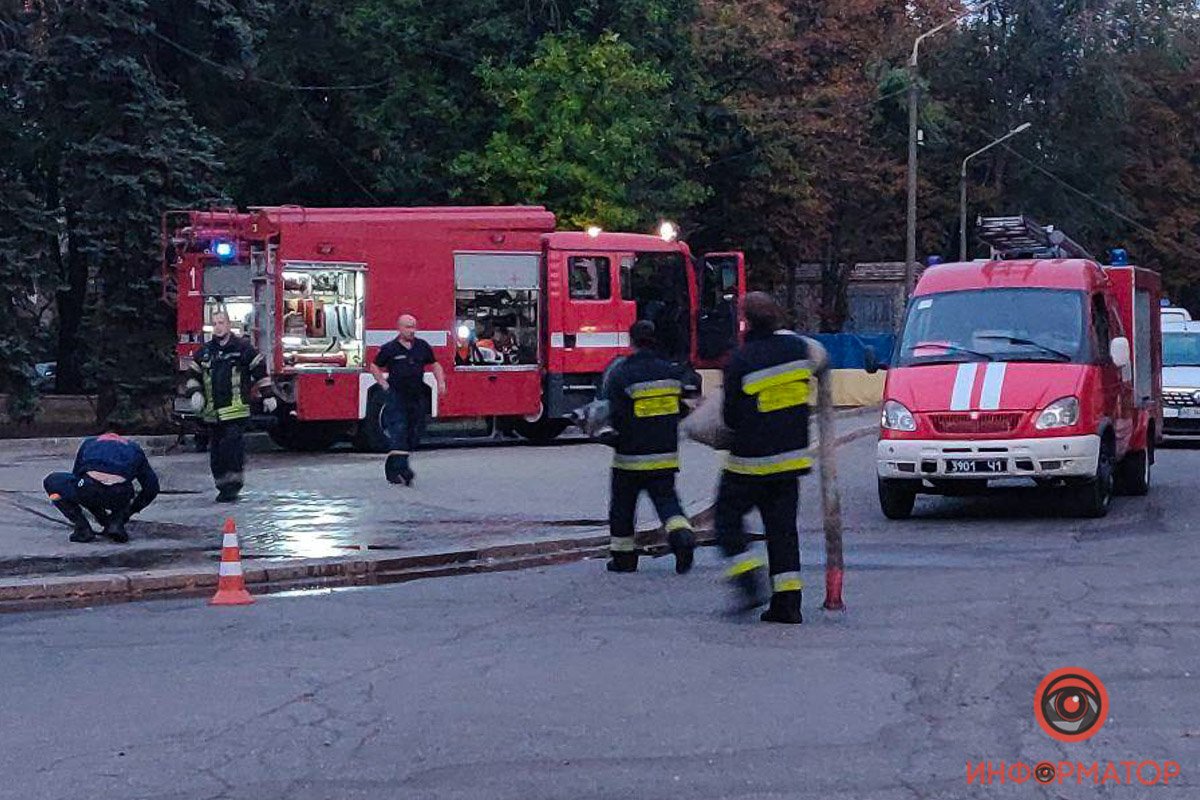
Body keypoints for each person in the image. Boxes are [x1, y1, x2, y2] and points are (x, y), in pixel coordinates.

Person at [716, 292, 827, 624]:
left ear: (746, 322)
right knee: (782, 532)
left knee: (726, 520)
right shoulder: (798, 351)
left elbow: (731, 418)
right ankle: (788, 605)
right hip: (791, 461)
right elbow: (820, 362)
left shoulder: (740, 360)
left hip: (749, 463)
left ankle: (749, 579)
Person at [600, 320, 697, 574]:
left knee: (623, 507)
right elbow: (683, 406)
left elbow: (611, 413)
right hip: (664, 455)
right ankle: (682, 535)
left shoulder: (622, 373)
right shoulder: (670, 372)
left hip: (629, 456)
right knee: (667, 503)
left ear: (632, 341)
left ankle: (624, 558)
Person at [187, 309, 275, 502]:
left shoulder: (242, 348)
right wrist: (195, 393)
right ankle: (221, 485)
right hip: (213, 413)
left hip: (235, 411)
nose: (218, 327)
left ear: (228, 325)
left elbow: (259, 371)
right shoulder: (205, 352)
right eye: (215, 323)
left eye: (221, 323)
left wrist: (268, 395)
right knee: (217, 453)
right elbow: (192, 376)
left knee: (232, 449)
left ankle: (232, 487)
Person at [369, 313, 447, 485]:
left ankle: (392, 469)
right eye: (408, 327)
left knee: (413, 433)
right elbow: (374, 366)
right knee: (399, 430)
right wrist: (383, 384)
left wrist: (440, 382)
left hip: (416, 396)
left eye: (414, 327)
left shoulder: (422, 346)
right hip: (396, 396)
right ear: (399, 328)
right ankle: (404, 470)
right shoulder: (390, 348)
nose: (412, 331)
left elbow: (434, 364)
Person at [43, 431, 159, 543]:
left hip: (88, 488)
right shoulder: (134, 448)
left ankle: (82, 527)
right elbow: (152, 487)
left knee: (52, 482)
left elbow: (77, 476)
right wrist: (130, 511)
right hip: (120, 494)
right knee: (125, 489)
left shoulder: (90, 443)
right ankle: (116, 523)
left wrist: (97, 513)